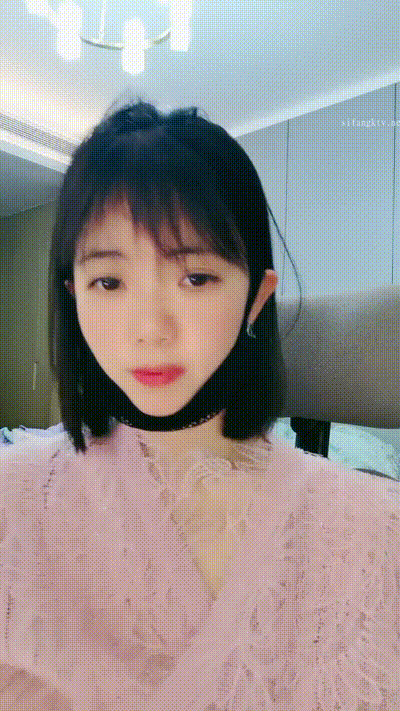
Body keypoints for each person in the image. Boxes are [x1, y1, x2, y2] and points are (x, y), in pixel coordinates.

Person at [0, 100, 398, 711]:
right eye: (109, 282)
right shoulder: (13, 497)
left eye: (196, 278)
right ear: (73, 295)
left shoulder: (373, 529)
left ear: (256, 298)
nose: (149, 330)